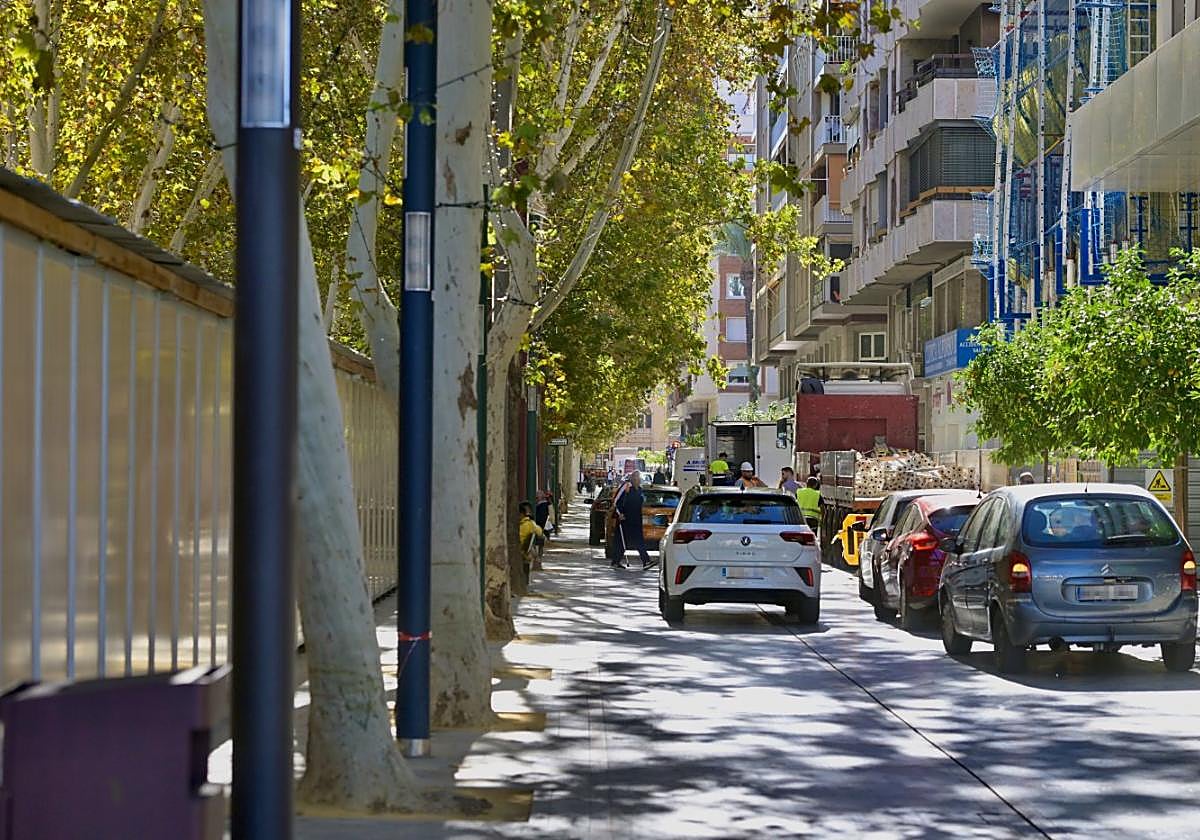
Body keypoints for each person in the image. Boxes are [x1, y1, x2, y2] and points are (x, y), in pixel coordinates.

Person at [611, 471, 655, 570]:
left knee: (639, 540)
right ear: (632, 479)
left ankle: (646, 561)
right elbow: (616, 501)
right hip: (625, 519)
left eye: (639, 479)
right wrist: (620, 513)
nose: (638, 480)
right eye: (636, 478)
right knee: (622, 541)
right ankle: (616, 561)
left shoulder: (639, 490)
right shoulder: (626, 487)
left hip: (636, 519)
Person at [518, 501, 544, 579]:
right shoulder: (531, 523)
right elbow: (539, 532)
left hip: (520, 549)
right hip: (525, 550)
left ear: (521, 514)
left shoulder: (523, 524)